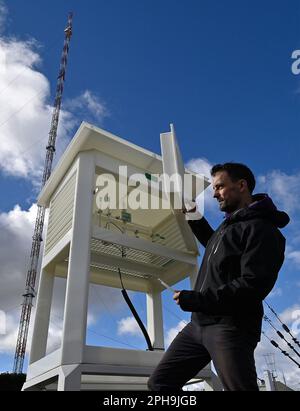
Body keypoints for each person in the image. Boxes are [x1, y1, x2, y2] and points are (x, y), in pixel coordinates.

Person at [148, 162, 289, 391]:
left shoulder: (264, 230)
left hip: (230, 327)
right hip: (197, 326)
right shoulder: (228, 227)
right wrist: (194, 216)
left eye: (220, 186)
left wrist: (196, 300)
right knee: (160, 383)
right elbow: (215, 246)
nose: (214, 194)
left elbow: (252, 285)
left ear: (241, 185)